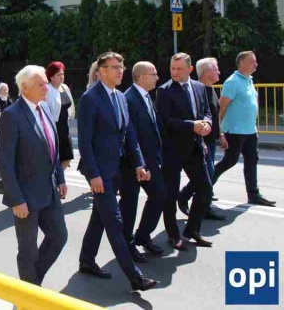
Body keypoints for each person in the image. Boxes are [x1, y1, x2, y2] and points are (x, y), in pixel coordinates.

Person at [77, 52, 157, 291]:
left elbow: (129, 133)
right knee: (114, 221)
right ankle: (135, 278)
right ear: (101, 71)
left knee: (99, 216)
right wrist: (94, 175)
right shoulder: (90, 99)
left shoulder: (120, 97)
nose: (120, 71)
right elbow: (85, 142)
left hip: (117, 168)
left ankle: (86, 260)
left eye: (121, 66)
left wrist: (139, 163)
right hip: (99, 171)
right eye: (114, 67)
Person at [0, 65, 68, 286]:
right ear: (25, 87)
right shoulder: (12, 115)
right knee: (28, 249)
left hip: (49, 190)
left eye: (46, 83)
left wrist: (60, 178)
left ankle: (32, 283)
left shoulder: (44, 107)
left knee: (59, 237)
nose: (46, 87)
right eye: (41, 84)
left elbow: (52, 148)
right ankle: (29, 293)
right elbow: (5, 162)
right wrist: (16, 199)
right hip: (25, 197)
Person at [156, 52, 214, 250]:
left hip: (195, 147)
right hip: (172, 150)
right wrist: (192, 125)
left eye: (179, 69)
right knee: (170, 195)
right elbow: (165, 121)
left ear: (190, 69)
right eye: (172, 68)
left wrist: (207, 124)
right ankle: (173, 235)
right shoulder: (164, 91)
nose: (175, 72)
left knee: (205, 188)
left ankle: (192, 229)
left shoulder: (199, 87)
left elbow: (206, 111)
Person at [213, 51, 276, 207]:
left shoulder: (248, 80)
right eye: (252, 61)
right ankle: (202, 186)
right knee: (229, 161)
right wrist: (220, 132)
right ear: (242, 63)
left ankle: (253, 194)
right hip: (234, 131)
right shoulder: (233, 82)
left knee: (252, 160)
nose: (256, 64)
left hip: (250, 130)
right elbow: (221, 107)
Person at [120, 62, 167, 263]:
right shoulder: (129, 99)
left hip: (150, 160)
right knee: (129, 205)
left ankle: (143, 235)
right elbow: (129, 135)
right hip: (132, 163)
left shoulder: (146, 96)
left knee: (159, 195)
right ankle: (127, 245)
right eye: (153, 74)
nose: (157, 77)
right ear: (141, 77)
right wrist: (139, 163)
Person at [178, 58, 226, 220]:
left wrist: (221, 134)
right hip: (201, 142)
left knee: (207, 175)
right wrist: (202, 141)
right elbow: (196, 118)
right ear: (206, 72)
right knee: (206, 175)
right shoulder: (198, 90)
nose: (219, 72)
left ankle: (189, 198)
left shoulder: (210, 89)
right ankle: (192, 200)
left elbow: (213, 115)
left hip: (211, 141)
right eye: (216, 69)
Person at [45, 61, 75, 170]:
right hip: (52, 127)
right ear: (51, 77)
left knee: (68, 156)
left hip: (64, 127)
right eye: (58, 75)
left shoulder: (65, 87)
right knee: (54, 157)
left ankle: (58, 176)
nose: (62, 77)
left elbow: (70, 105)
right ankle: (54, 177)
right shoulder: (47, 89)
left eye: (62, 74)